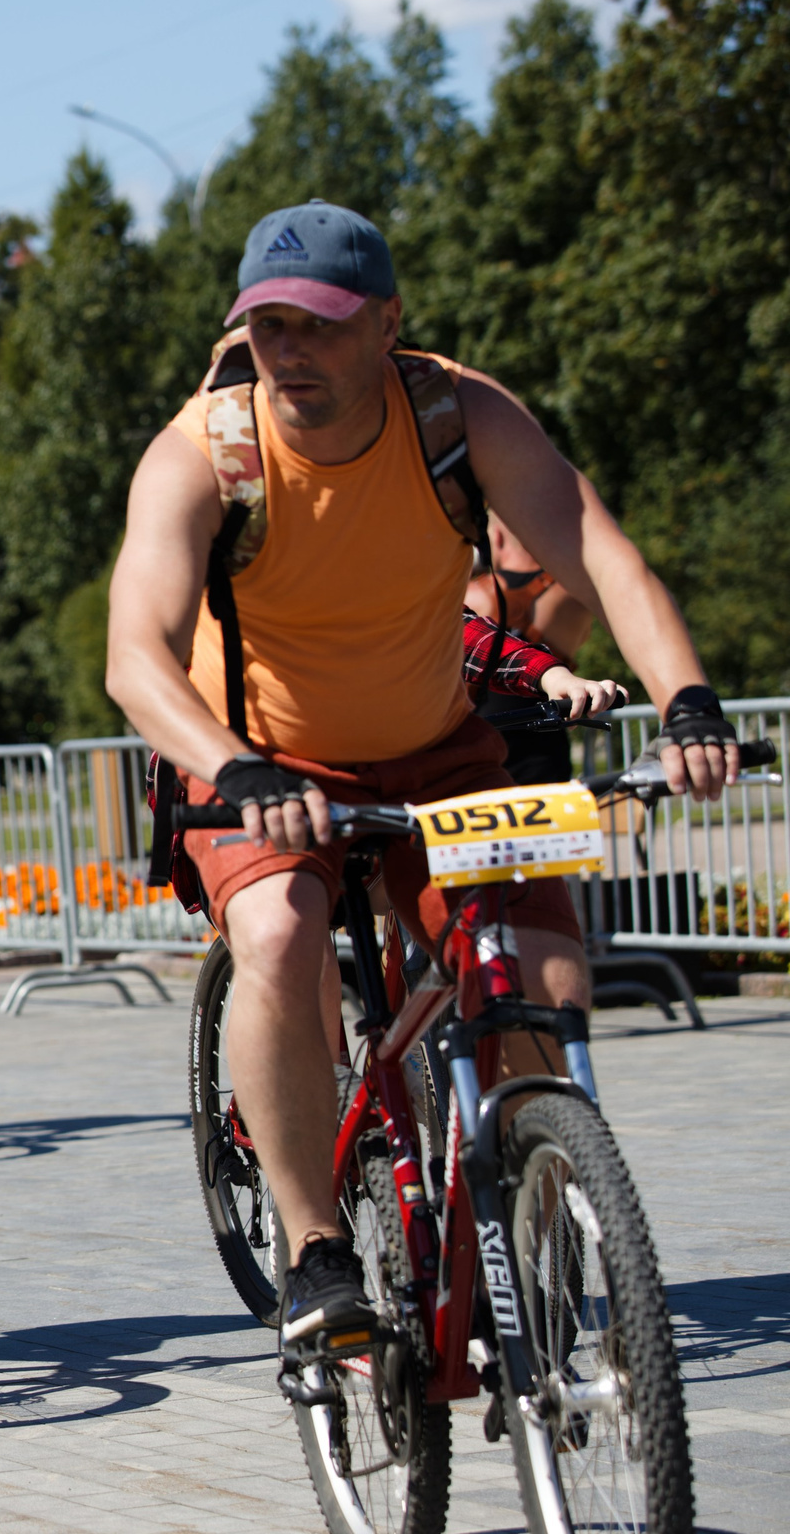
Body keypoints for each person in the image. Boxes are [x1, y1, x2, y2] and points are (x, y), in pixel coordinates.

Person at [103, 201, 737, 1371]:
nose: (290, 351)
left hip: (436, 749)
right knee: (283, 932)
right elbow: (133, 654)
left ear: (388, 325)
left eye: (322, 327)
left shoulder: (457, 414)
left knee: (541, 977)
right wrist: (236, 768)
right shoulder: (207, 446)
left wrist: (686, 700)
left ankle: (528, 1221)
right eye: (270, 326)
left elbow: (596, 550)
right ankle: (312, 1249)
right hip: (252, 759)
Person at [464, 500, 607, 785]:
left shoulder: (471, 594)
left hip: (481, 746)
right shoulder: (573, 593)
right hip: (545, 747)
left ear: (499, 538)